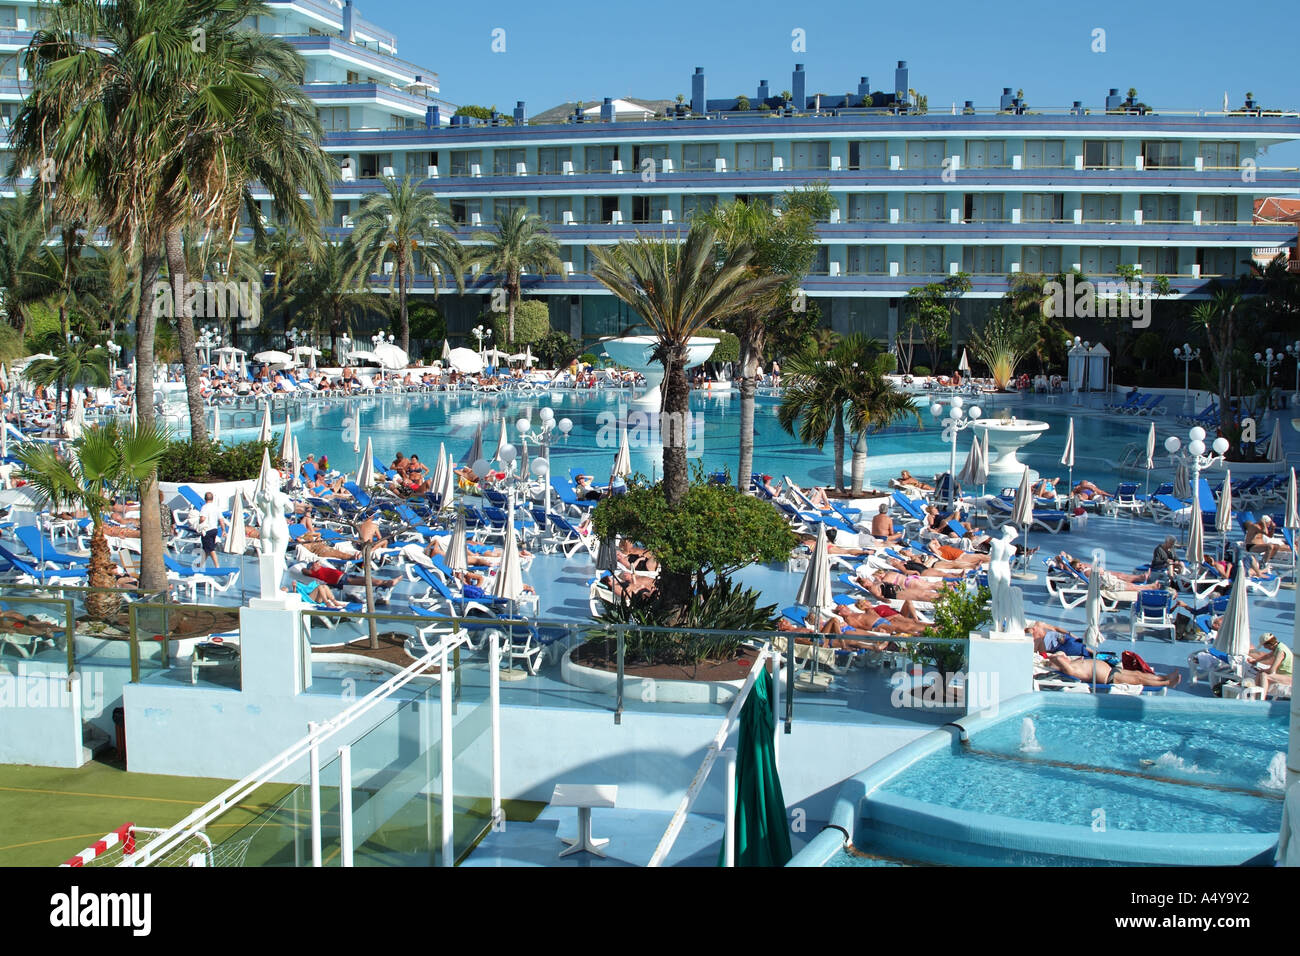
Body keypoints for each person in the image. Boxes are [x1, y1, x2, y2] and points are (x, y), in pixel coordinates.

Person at [1043, 651, 1182, 688]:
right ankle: (1167, 683)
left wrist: (1056, 657)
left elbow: (1060, 656)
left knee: (1139, 674)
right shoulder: (1070, 670)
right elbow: (1059, 659)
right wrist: (1052, 658)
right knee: (1140, 679)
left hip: (1111, 670)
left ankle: (1164, 677)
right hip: (1109, 678)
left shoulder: (1073, 663)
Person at [297, 560, 399, 590]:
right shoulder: (313, 572)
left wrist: (318, 564)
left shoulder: (321, 567)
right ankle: (387, 583)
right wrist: (311, 568)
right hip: (341, 580)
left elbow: (319, 562)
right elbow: (303, 570)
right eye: (315, 564)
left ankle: (386, 583)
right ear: (312, 567)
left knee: (368, 579)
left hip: (344, 575)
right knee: (366, 581)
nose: (317, 564)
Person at [1250, 632, 1293, 699]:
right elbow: (1268, 655)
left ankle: (1262, 699)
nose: (1265, 648)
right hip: (1284, 675)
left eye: (1264, 646)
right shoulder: (1278, 646)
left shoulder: (1280, 651)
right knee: (1260, 674)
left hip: (1289, 678)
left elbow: (1271, 670)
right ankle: (1254, 697)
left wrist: (1262, 670)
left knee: (1264, 676)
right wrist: (1255, 661)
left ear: (1269, 644)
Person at [197, 491, 227, 569]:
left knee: (210, 549)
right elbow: (221, 520)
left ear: (205, 499)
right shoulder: (216, 507)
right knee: (206, 548)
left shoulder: (204, 507)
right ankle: (201, 564)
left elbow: (202, 518)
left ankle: (217, 566)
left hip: (207, 530)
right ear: (213, 499)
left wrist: (198, 522)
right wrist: (223, 530)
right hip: (214, 529)